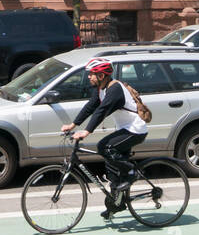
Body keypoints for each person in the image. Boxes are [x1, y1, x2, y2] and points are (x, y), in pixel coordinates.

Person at [61, 58, 148, 219]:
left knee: (104, 147)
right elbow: (90, 107)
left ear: (101, 75)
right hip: (125, 129)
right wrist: (73, 125)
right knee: (111, 166)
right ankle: (117, 204)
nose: (89, 77)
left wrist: (86, 132)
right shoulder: (101, 89)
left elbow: (101, 111)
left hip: (135, 130)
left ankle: (132, 172)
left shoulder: (114, 90)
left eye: (92, 74)